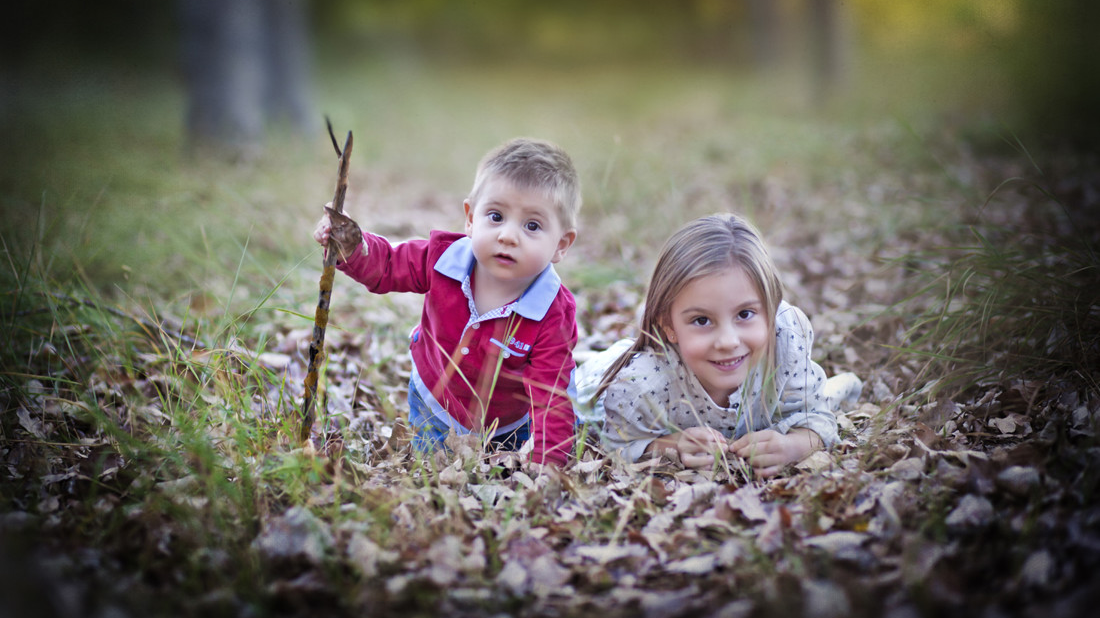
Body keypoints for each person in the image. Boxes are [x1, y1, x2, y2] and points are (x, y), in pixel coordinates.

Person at [314, 138, 581, 466]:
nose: (508, 236)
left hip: (509, 424)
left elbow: (550, 395)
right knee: (435, 473)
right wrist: (350, 245)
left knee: (505, 474)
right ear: (470, 218)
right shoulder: (442, 259)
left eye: (532, 225)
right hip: (434, 405)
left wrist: (548, 465)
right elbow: (387, 266)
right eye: (495, 216)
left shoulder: (552, 311)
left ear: (561, 245)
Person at [575, 213, 858, 477]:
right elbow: (617, 443)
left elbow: (816, 416)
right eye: (702, 320)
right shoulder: (639, 384)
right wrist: (669, 446)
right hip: (607, 377)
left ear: (770, 311)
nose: (727, 342)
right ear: (669, 326)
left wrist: (794, 446)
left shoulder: (785, 342)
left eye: (745, 314)